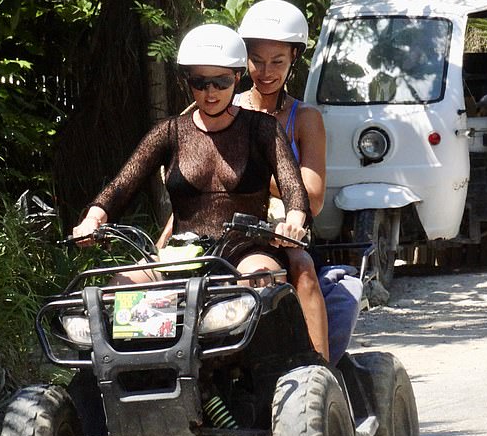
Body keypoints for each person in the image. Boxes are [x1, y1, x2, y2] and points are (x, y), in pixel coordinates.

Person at [72, 23, 311, 296]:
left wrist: (293, 219)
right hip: (181, 254)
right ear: (188, 81)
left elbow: (293, 186)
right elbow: (121, 186)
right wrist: (93, 219)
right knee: (116, 295)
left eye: (220, 82)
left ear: (237, 77)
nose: (210, 93)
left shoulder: (263, 129)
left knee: (258, 285)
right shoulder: (169, 132)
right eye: (200, 82)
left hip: (246, 252)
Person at [235, 0, 330, 359]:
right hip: (223, 222)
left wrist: (256, 168)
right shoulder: (222, 109)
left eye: (277, 61)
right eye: (257, 60)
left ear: (294, 58)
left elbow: (313, 199)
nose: (265, 71)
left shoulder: (304, 118)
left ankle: (321, 369)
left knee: (302, 269)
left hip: (285, 228)